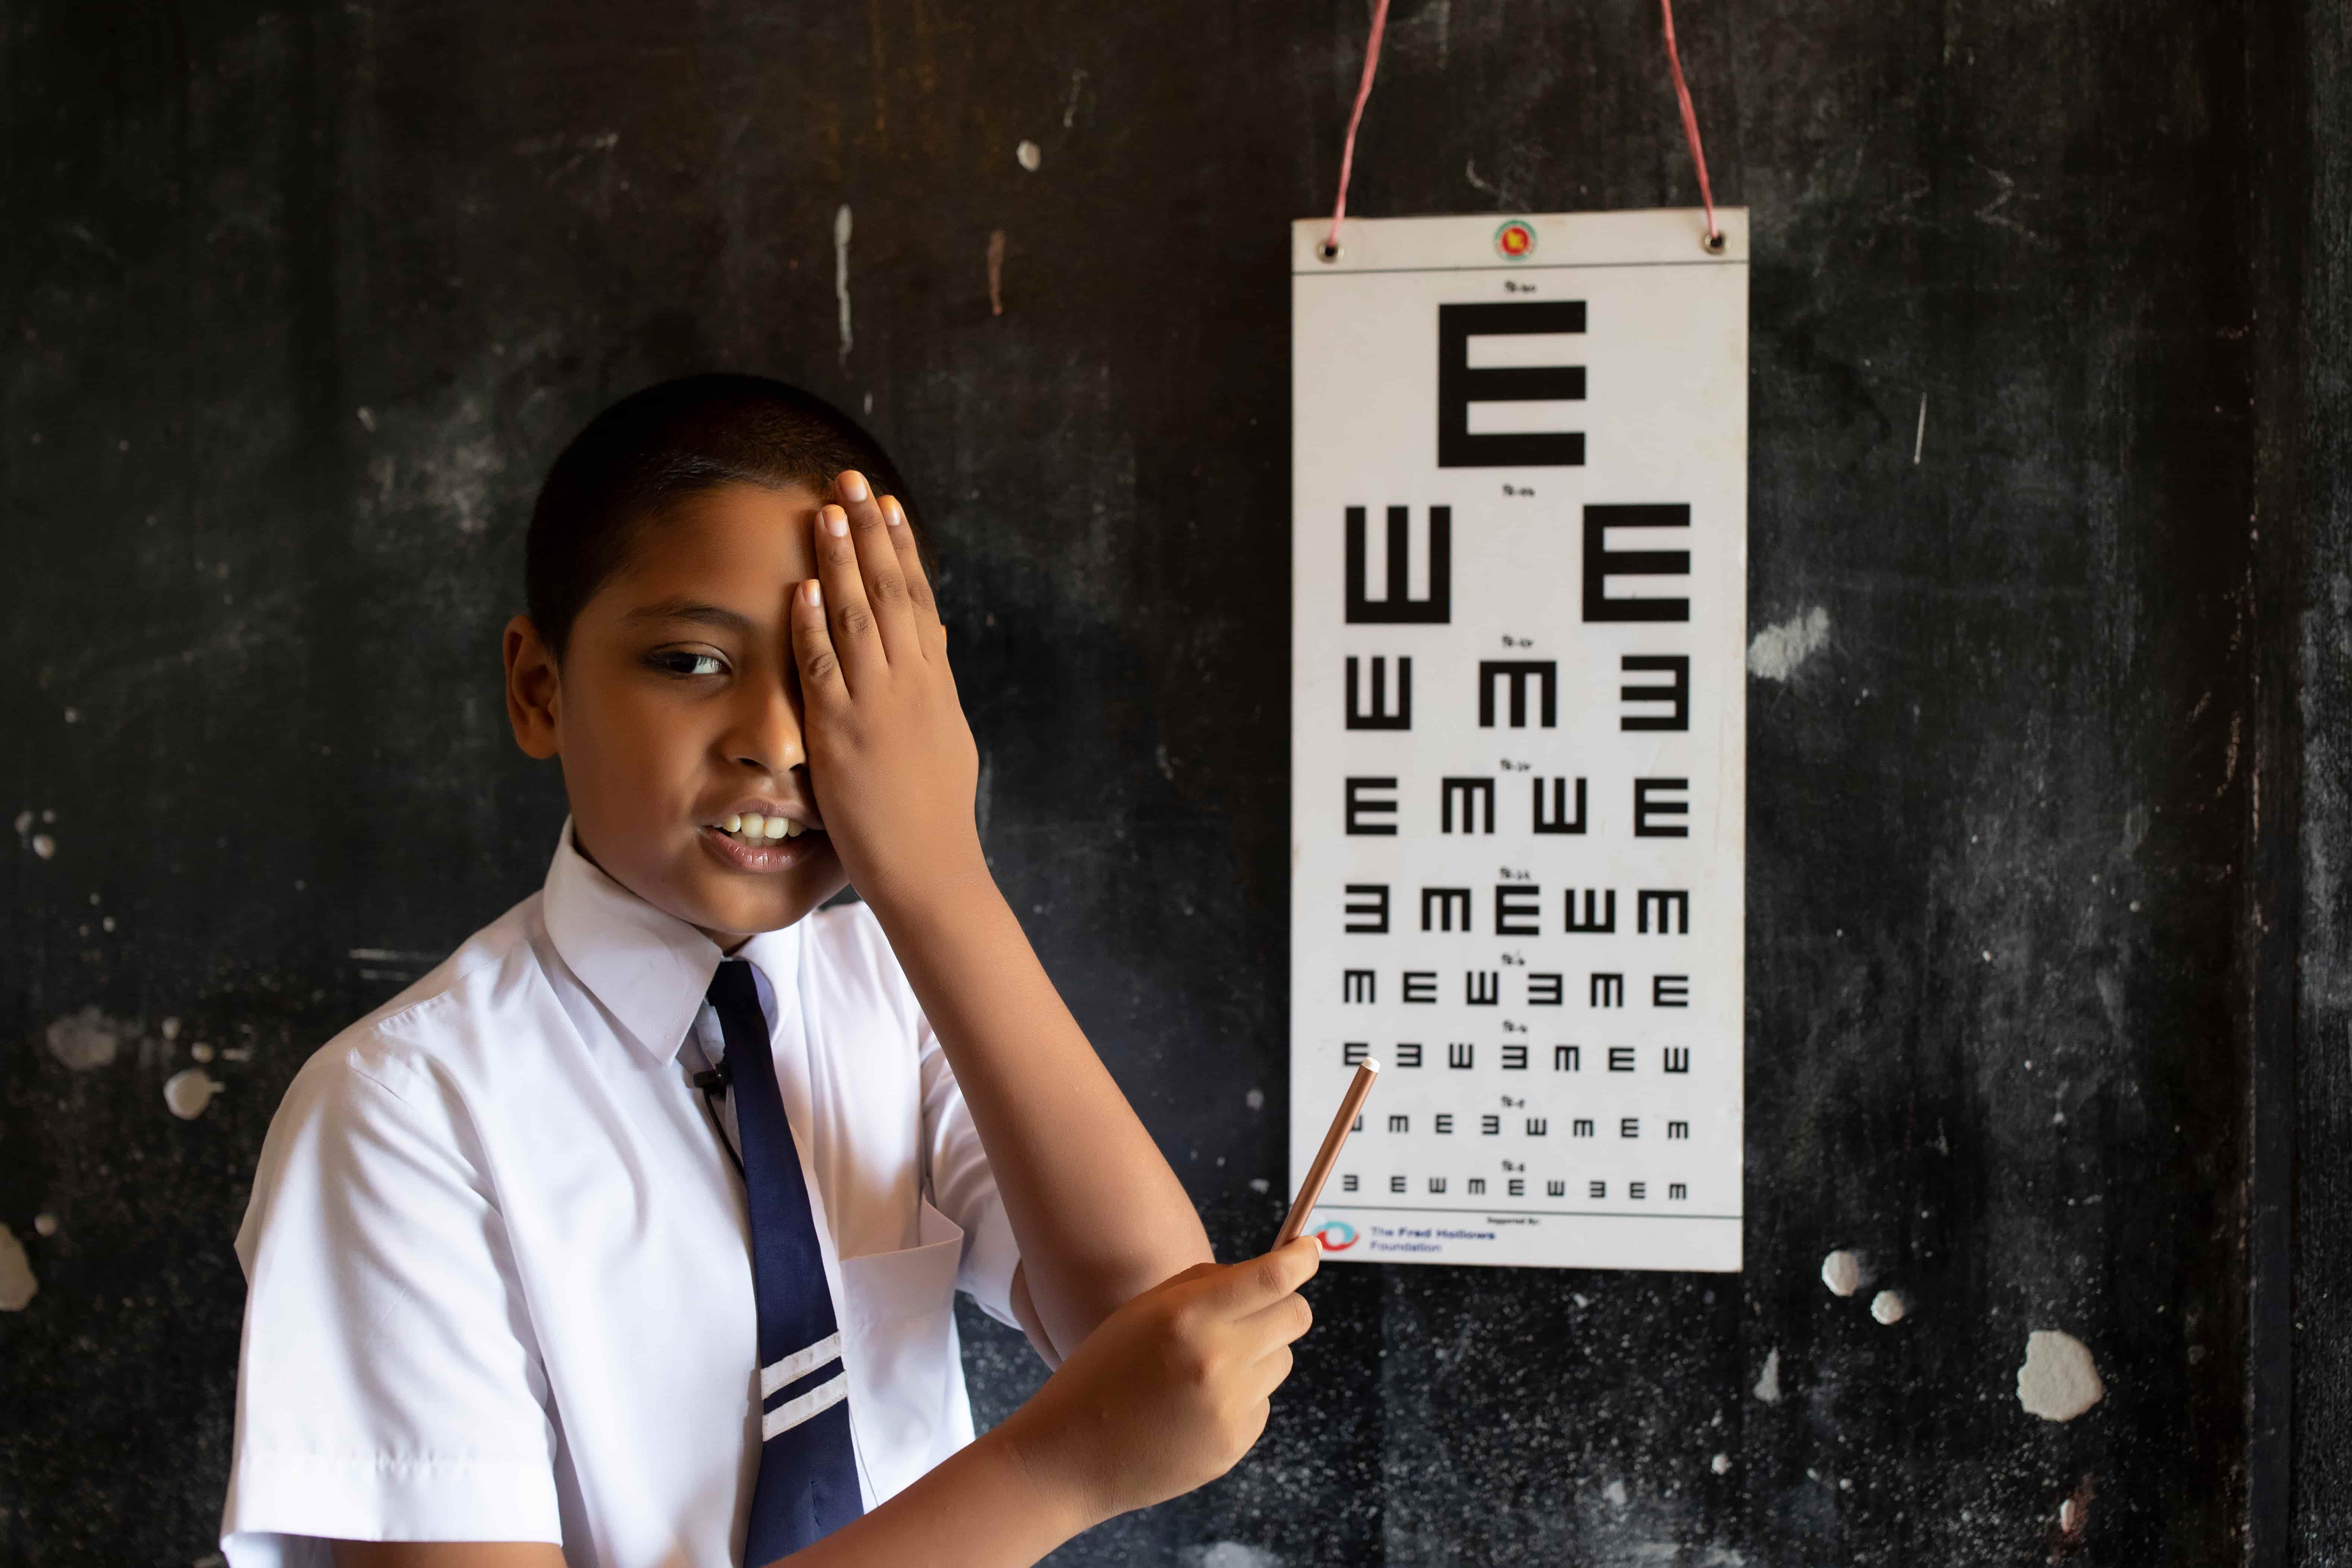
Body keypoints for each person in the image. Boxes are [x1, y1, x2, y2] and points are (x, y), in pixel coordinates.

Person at [219, 375, 1318, 1567]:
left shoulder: (896, 992)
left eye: (841, 671)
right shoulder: (403, 1113)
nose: (780, 741)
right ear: (540, 690)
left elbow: (1154, 1347)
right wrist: (1050, 1470)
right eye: (689, 662)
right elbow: (1114, 1423)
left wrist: (939, 874)